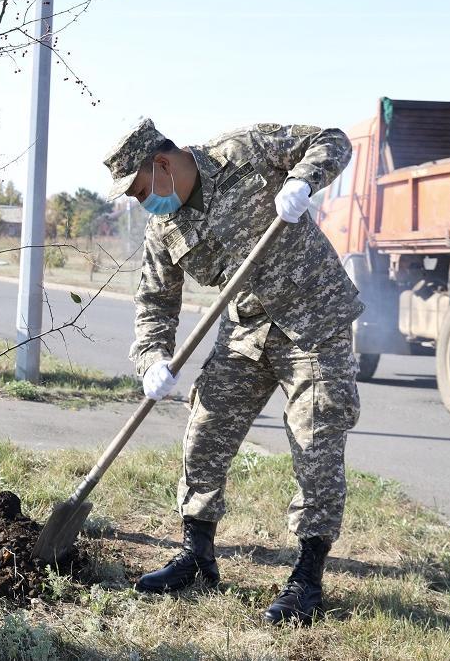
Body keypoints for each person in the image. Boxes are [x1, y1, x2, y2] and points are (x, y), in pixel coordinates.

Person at [107, 118, 360, 625]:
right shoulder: (166, 226)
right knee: (205, 427)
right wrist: (152, 359)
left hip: (315, 319)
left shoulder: (241, 152)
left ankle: (307, 576)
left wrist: (302, 179)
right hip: (247, 330)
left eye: (139, 191)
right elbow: (154, 302)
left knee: (315, 440)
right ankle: (197, 556)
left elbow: (333, 140)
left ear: (161, 164)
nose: (142, 203)